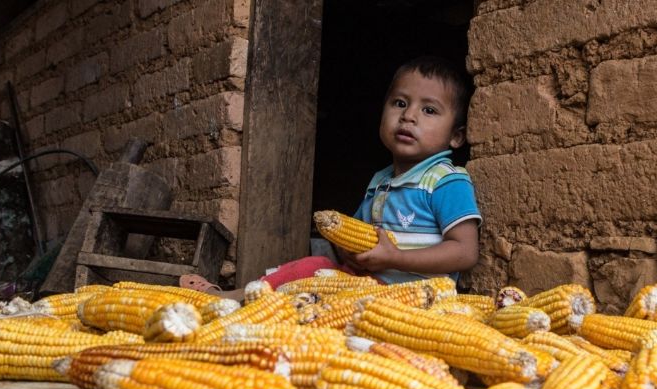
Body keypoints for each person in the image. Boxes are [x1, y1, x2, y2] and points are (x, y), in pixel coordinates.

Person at [181, 55, 481, 298]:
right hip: (364, 284)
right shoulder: (381, 181)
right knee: (314, 266)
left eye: (429, 110)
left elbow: (465, 252)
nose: (409, 116)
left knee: (313, 285)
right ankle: (239, 296)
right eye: (400, 103)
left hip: (414, 295)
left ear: (456, 137)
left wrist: (394, 259)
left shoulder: (446, 181)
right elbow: (356, 233)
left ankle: (235, 300)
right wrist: (346, 249)